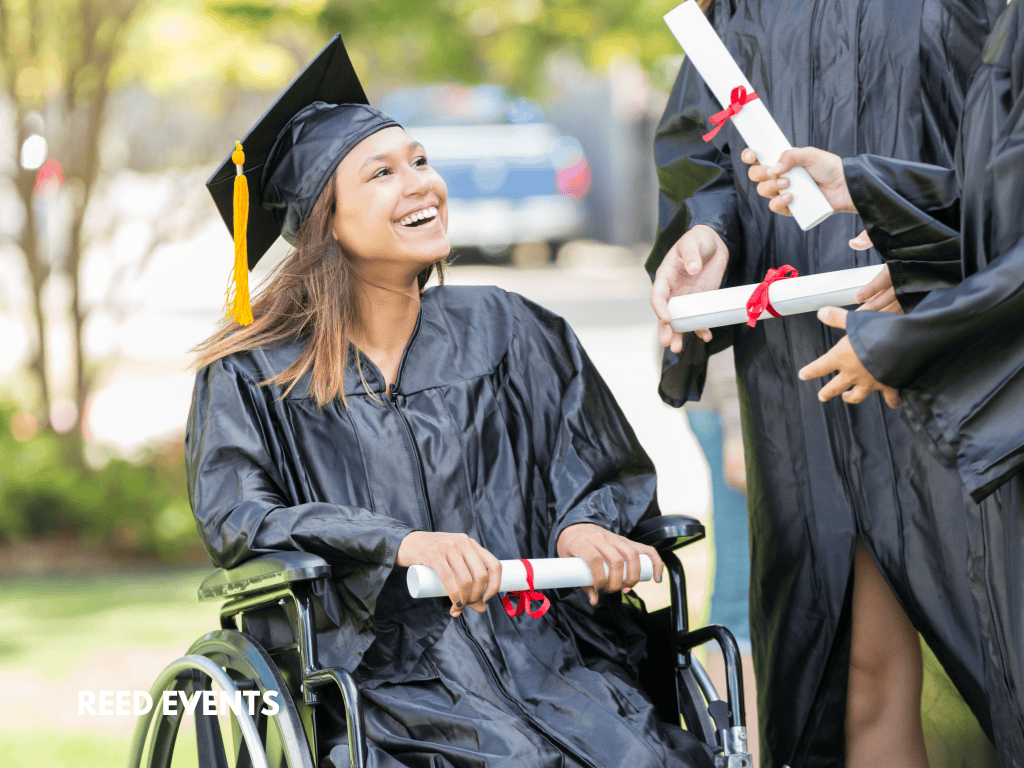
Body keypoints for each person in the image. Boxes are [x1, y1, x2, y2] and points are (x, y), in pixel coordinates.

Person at [188, 35, 716, 768]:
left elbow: (595, 464)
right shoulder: (255, 374)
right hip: (383, 682)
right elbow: (241, 517)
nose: (421, 184)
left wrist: (583, 528)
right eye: (383, 172)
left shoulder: (510, 328)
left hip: (547, 659)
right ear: (325, 222)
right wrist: (398, 543)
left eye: (422, 162)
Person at [646, 1, 1008, 766]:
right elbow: (704, 148)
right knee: (852, 674)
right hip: (801, 374)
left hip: (957, 353)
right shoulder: (742, 6)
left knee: (1000, 638)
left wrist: (932, 261)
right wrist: (705, 232)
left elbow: (1006, 169)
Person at [743, 1, 1024, 762]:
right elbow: (995, 200)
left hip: (977, 377)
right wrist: (858, 186)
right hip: (822, 369)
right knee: (853, 664)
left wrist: (912, 327)